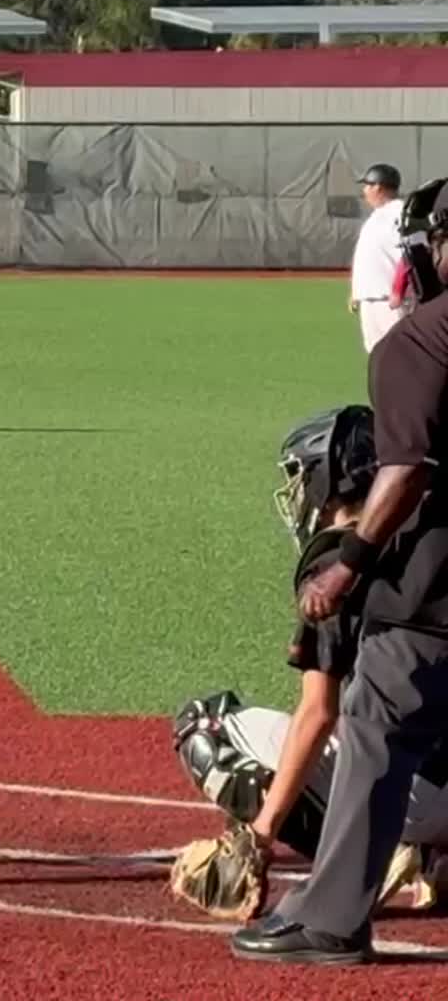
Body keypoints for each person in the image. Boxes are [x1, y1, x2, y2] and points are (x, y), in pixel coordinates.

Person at [233, 206, 448, 964]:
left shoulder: (420, 340)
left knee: (376, 733)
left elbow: (411, 467)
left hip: (432, 594)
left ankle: (329, 916)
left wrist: (350, 558)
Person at [172, 406, 448, 913]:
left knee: (205, 726)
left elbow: (319, 713)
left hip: (410, 784)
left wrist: (259, 835)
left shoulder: (334, 563)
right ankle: (434, 856)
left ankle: (376, 852)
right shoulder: (432, 536)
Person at [349, 163, 408, 354]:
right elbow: (369, 258)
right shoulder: (377, 217)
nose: (364, 190)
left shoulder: (400, 213)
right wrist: (357, 292)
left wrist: (398, 290)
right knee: (377, 354)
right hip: (371, 298)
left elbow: (409, 254)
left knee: (399, 353)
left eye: (367, 185)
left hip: (390, 301)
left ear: (378, 187)